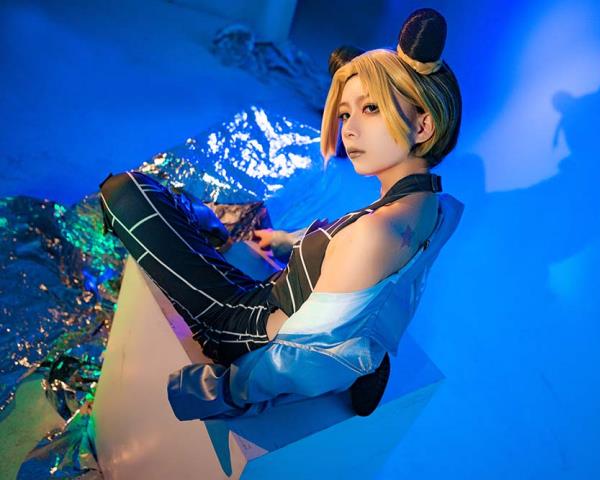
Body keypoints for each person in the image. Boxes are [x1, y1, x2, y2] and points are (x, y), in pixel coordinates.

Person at [98, 7, 461, 416]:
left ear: (423, 126)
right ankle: (364, 359)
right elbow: (384, 278)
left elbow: (301, 356)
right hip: (282, 296)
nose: (349, 129)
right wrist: (288, 242)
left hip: (241, 328)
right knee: (242, 214)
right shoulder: (435, 208)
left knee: (124, 192)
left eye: (371, 109)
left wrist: (227, 390)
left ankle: (355, 364)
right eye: (345, 113)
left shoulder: (376, 234)